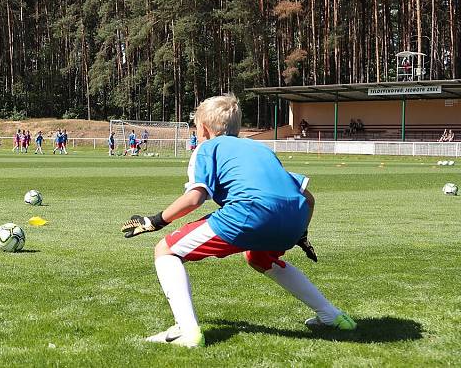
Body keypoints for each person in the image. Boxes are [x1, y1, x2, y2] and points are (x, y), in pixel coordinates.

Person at [121, 94, 355, 348]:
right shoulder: (259, 148)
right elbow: (307, 196)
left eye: (196, 128)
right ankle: (332, 315)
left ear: (204, 129)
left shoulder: (206, 148)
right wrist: (301, 234)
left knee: (165, 250)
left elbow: (195, 197)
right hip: (296, 215)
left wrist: (155, 221)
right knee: (260, 258)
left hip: (250, 212)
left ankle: (186, 331)